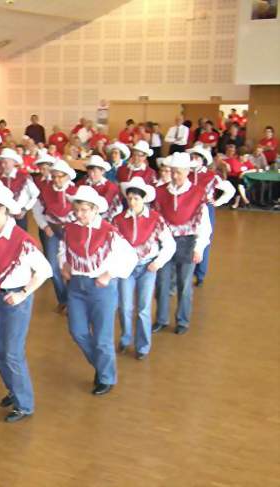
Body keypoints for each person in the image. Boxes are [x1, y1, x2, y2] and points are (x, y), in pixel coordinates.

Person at [0, 182, 52, 422]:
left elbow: (45, 270)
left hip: (15, 298)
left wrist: (23, 293)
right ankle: (14, 388)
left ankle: (24, 404)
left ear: (3, 209)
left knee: (12, 352)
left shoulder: (20, 239)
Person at [59, 186, 137, 395]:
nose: (80, 214)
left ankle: (106, 376)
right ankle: (103, 366)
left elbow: (130, 257)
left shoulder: (109, 232)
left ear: (95, 210)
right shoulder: (70, 229)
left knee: (102, 337)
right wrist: (64, 264)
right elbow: (63, 250)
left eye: (84, 210)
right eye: (78, 209)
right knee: (77, 331)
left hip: (100, 287)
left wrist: (109, 274)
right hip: (76, 285)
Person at [113, 178, 175, 359]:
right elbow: (113, 245)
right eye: (130, 198)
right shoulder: (118, 220)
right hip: (127, 267)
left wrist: (159, 261)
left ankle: (143, 346)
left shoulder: (155, 219)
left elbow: (169, 244)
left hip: (147, 266)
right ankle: (125, 337)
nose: (133, 202)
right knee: (125, 306)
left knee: (143, 307)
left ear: (144, 199)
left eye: (136, 199)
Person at [152, 152, 212, 335]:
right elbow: (155, 219)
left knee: (184, 284)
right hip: (165, 241)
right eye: (172, 172)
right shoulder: (161, 192)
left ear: (187, 171)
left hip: (188, 242)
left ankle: (183, 320)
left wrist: (200, 246)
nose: (175, 176)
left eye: (179, 172)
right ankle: (161, 318)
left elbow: (204, 223)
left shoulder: (197, 192)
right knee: (162, 283)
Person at [32, 160, 77, 313]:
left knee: (72, 265)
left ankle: (73, 300)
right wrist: (44, 226)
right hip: (52, 229)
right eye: (55, 176)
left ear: (67, 177)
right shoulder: (45, 190)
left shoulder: (76, 191)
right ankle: (63, 298)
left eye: (60, 176)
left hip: (71, 231)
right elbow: (37, 210)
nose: (57, 180)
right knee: (52, 265)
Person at [187, 146, 235, 286]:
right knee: (188, 238)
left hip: (205, 208)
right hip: (188, 207)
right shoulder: (186, 174)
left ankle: (200, 273)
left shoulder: (211, 176)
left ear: (203, 160)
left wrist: (217, 202)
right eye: (193, 157)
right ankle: (188, 269)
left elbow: (229, 190)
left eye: (197, 157)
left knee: (204, 239)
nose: (194, 160)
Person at [0, 148, 40, 231]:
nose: (3, 165)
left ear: (14, 162)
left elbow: (35, 194)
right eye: (2, 162)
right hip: (4, 215)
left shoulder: (23, 176)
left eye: (6, 162)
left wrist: (25, 209)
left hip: (20, 215)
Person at [79, 155, 123, 220]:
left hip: (103, 219)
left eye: (94, 171)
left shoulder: (111, 187)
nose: (91, 174)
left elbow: (114, 209)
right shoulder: (81, 183)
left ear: (102, 171)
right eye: (89, 171)